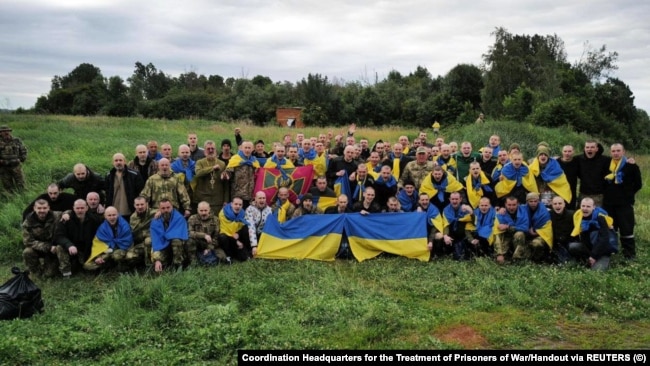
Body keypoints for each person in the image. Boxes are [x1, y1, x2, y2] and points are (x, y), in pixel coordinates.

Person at [602, 143, 642, 260]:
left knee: (627, 230)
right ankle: (610, 253)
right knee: (610, 229)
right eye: (613, 151)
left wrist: (628, 194)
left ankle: (629, 256)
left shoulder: (631, 166)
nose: (616, 153)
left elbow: (638, 184)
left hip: (624, 204)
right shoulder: (606, 166)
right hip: (609, 204)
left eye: (618, 151)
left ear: (623, 152)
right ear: (610, 153)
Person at [54, 199, 102, 277]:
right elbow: (59, 236)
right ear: (73, 208)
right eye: (77, 208)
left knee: (91, 268)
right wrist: (69, 245)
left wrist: (97, 255)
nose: (80, 210)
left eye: (82, 208)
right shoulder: (66, 219)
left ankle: (81, 265)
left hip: (87, 249)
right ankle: (66, 272)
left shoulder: (94, 220)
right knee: (59, 247)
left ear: (87, 208)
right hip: (71, 248)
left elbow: (99, 238)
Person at [569, 197, 617, 271]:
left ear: (594, 207)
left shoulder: (600, 218)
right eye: (583, 206)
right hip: (589, 248)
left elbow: (604, 240)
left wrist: (594, 256)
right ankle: (585, 260)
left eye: (588, 206)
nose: (585, 208)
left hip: (602, 250)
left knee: (597, 271)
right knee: (572, 246)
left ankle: (600, 260)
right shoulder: (578, 217)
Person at [85, 207, 136, 272]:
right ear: (105, 216)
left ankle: (119, 266)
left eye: (114, 215)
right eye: (109, 215)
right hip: (107, 251)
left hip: (122, 250)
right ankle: (107, 266)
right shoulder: (102, 228)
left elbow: (127, 242)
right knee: (87, 265)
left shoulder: (124, 225)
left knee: (117, 255)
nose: (112, 217)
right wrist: (98, 256)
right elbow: (97, 244)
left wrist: (112, 248)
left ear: (118, 215)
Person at [22, 200, 62, 278]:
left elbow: (72, 212)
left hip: (53, 250)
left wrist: (67, 213)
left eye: (44, 208)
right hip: (39, 248)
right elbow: (28, 241)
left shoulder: (57, 215)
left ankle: (48, 268)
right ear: (34, 208)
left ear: (48, 208)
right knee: (27, 252)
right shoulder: (28, 222)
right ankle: (35, 271)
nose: (42, 211)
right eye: (39, 208)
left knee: (49, 275)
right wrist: (47, 246)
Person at [150, 199, 189, 272]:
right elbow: (155, 240)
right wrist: (157, 260)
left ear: (172, 207)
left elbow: (181, 236)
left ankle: (178, 265)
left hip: (178, 247)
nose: (166, 210)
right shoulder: (155, 220)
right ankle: (154, 266)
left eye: (168, 207)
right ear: (159, 209)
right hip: (162, 246)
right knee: (148, 241)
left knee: (176, 240)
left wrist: (167, 236)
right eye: (163, 208)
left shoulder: (179, 218)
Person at [193, 140, 229, 215]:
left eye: (212, 148)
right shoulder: (200, 162)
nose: (211, 151)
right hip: (203, 199)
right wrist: (212, 168)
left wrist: (226, 200)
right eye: (208, 149)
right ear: (204, 151)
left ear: (216, 150)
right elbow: (198, 173)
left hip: (217, 200)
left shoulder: (222, 164)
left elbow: (226, 184)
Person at [105, 153, 144, 221]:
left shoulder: (134, 175)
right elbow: (107, 193)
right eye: (116, 160)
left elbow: (141, 192)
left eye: (120, 160)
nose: (118, 162)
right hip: (113, 213)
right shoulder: (109, 176)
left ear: (124, 161)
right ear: (113, 162)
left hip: (129, 212)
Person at [493, 196, 529, 264]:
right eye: (509, 205)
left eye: (514, 205)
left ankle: (517, 259)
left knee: (519, 234)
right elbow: (497, 233)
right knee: (500, 259)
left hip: (520, 238)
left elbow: (525, 228)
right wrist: (499, 253)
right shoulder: (500, 214)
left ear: (518, 204)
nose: (511, 207)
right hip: (506, 236)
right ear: (505, 204)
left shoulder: (523, 211)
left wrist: (508, 227)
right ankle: (502, 255)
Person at [439, 192, 474, 260]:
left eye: (456, 199)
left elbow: (474, 222)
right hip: (452, 234)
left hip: (464, 234)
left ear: (460, 199)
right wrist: (446, 236)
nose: (454, 201)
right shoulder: (446, 210)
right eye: (452, 199)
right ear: (449, 199)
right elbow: (446, 225)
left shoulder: (466, 209)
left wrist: (471, 212)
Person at [224, 141, 259, 208]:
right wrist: (226, 175)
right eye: (245, 148)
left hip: (250, 195)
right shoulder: (235, 159)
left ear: (252, 149)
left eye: (249, 148)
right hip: (238, 195)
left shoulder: (254, 161)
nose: (247, 150)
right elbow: (228, 171)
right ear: (241, 148)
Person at [520, 192, 553, 262]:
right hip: (525, 232)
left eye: (535, 201)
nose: (533, 203)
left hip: (540, 234)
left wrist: (536, 233)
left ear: (538, 201)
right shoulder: (522, 209)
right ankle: (520, 256)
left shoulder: (545, 212)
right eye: (531, 201)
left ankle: (537, 259)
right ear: (527, 202)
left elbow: (547, 228)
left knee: (536, 243)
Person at [575, 140, 610, 207]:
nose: (589, 149)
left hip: (598, 195)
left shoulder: (605, 160)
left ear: (597, 149)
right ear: (584, 148)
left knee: (597, 215)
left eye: (592, 147)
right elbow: (566, 160)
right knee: (582, 215)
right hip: (583, 194)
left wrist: (629, 159)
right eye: (587, 147)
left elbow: (618, 160)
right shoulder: (578, 159)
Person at [218, 197, 252, 262]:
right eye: (236, 204)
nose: (238, 206)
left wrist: (238, 234)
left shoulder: (243, 213)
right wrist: (235, 241)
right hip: (227, 237)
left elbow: (242, 228)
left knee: (246, 229)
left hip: (237, 237)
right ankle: (228, 256)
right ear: (231, 204)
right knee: (222, 237)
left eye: (240, 205)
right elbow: (224, 230)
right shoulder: (222, 213)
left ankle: (246, 250)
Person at [416, 193, 443, 261]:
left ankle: (436, 254)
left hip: (431, 232)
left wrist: (430, 241)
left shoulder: (434, 210)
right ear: (419, 201)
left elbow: (435, 228)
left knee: (439, 235)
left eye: (426, 200)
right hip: (420, 233)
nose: (425, 202)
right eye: (422, 200)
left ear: (429, 200)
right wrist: (418, 215)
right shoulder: (416, 208)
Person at [245, 191, 273, 257]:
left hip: (262, 234)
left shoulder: (269, 210)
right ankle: (250, 249)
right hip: (250, 234)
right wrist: (254, 245)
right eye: (260, 198)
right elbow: (251, 227)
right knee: (245, 229)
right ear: (255, 199)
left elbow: (270, 226)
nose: (262, 200)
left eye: (264, 198)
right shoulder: (249, 209)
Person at [0, 125, 27, 192]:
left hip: (16, 166)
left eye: (8, 131)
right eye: (4, 131)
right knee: (7, 186)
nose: (6, 133)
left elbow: (23, 150)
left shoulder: (16, 140)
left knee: (21, 184)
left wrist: (21, 159)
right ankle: (10, 199)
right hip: (4, 167)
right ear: (0, 133)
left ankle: (23, 197)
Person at [129, 196, 155, 265]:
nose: (140, 207)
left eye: (142, 204)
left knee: (148, 241)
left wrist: (160, 212)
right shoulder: (133, 218)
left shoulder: (154, 213)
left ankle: (149, 265)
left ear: (147, 204)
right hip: (140, 243)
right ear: (134, 205)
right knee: (129, 256)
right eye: (137, 205)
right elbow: (134, 234)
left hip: (153, 241)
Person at [549, 195, 574, 264]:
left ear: (564, 204)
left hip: (569, 243)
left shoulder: (572, 215)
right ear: (552, 205)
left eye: (560, 203)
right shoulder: (548, 215)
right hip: (555, 244)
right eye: (555, 204)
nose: (557, 206)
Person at [556, 144, 578, 210]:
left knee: (570, 213)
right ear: (562, 152)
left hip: (571, 193)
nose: (567, 153)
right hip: (559, 192)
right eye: (565, 151)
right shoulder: (556, 162)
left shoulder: (577, 162)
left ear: (573, 152)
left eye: (569, 151)